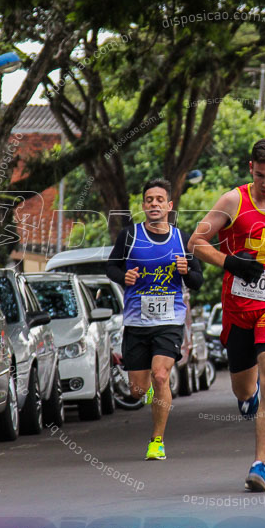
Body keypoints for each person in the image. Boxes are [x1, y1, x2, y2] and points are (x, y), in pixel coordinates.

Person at [189, 136, 265, 492]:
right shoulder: (233, 200)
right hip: (239, 307)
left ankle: (260, 465)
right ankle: (248, 398)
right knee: (244, 387)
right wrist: (230, 261)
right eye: (261, 175)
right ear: (251, 170)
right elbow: (195, 242)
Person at [106, 178, 204, 461]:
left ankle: (156, 441)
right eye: (149, 200)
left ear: (169, 206)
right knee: (137, 390)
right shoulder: (129, 236)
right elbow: (111, 266)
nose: (154, 204)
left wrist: (186, 271)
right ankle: (148, 392)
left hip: (169, 319)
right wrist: (122, 276)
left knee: (161, 375)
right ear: (143, 205)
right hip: (137, 322)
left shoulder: (181, 238)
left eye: (160, 200)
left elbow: (197, 281)